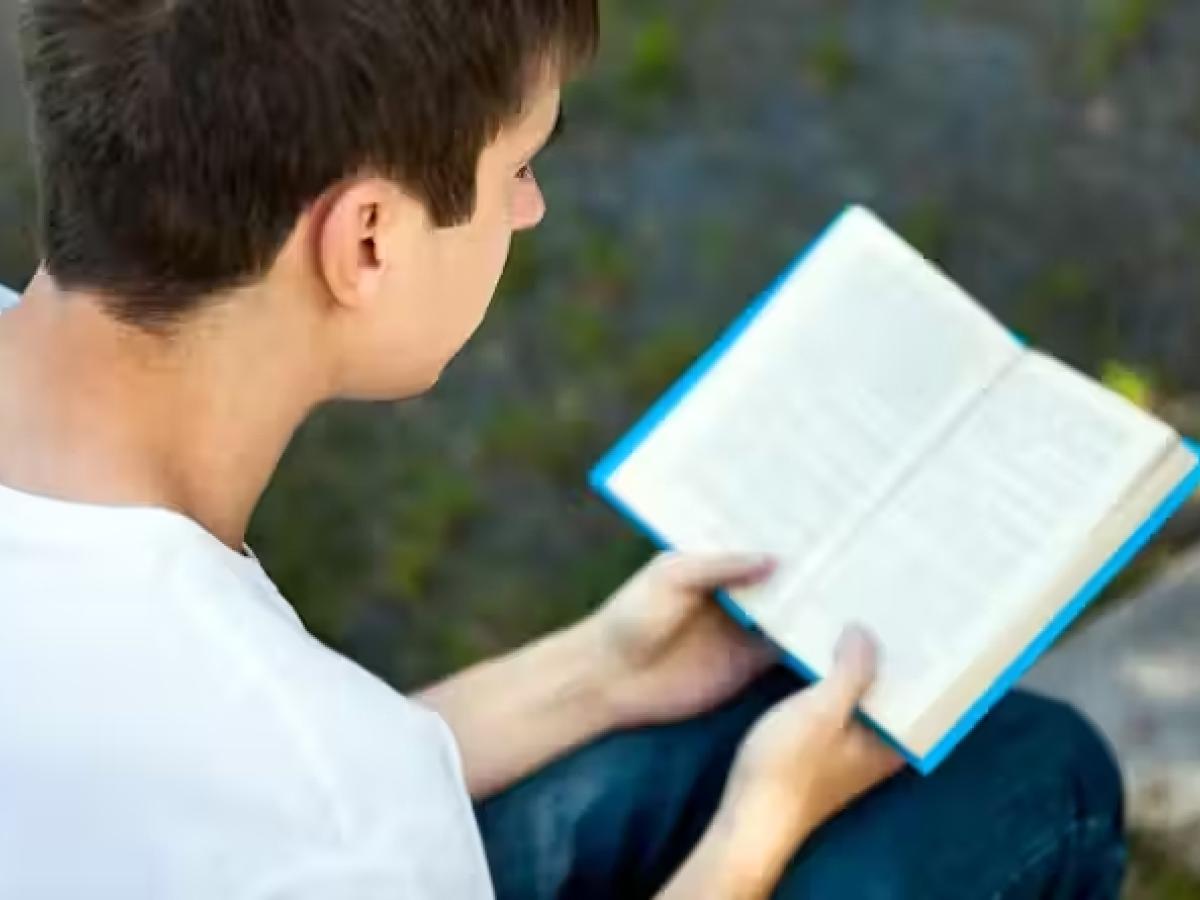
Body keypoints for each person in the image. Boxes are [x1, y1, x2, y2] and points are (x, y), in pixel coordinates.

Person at [0, 1, 1125, 897]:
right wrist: (755, 833)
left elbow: (220, 819)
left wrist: (597, 673)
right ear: (370, 240)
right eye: (519, 168)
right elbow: (296, 816)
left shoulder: (269, 759)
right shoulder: (323, 797)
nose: (530, 211)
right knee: (1033, 785)